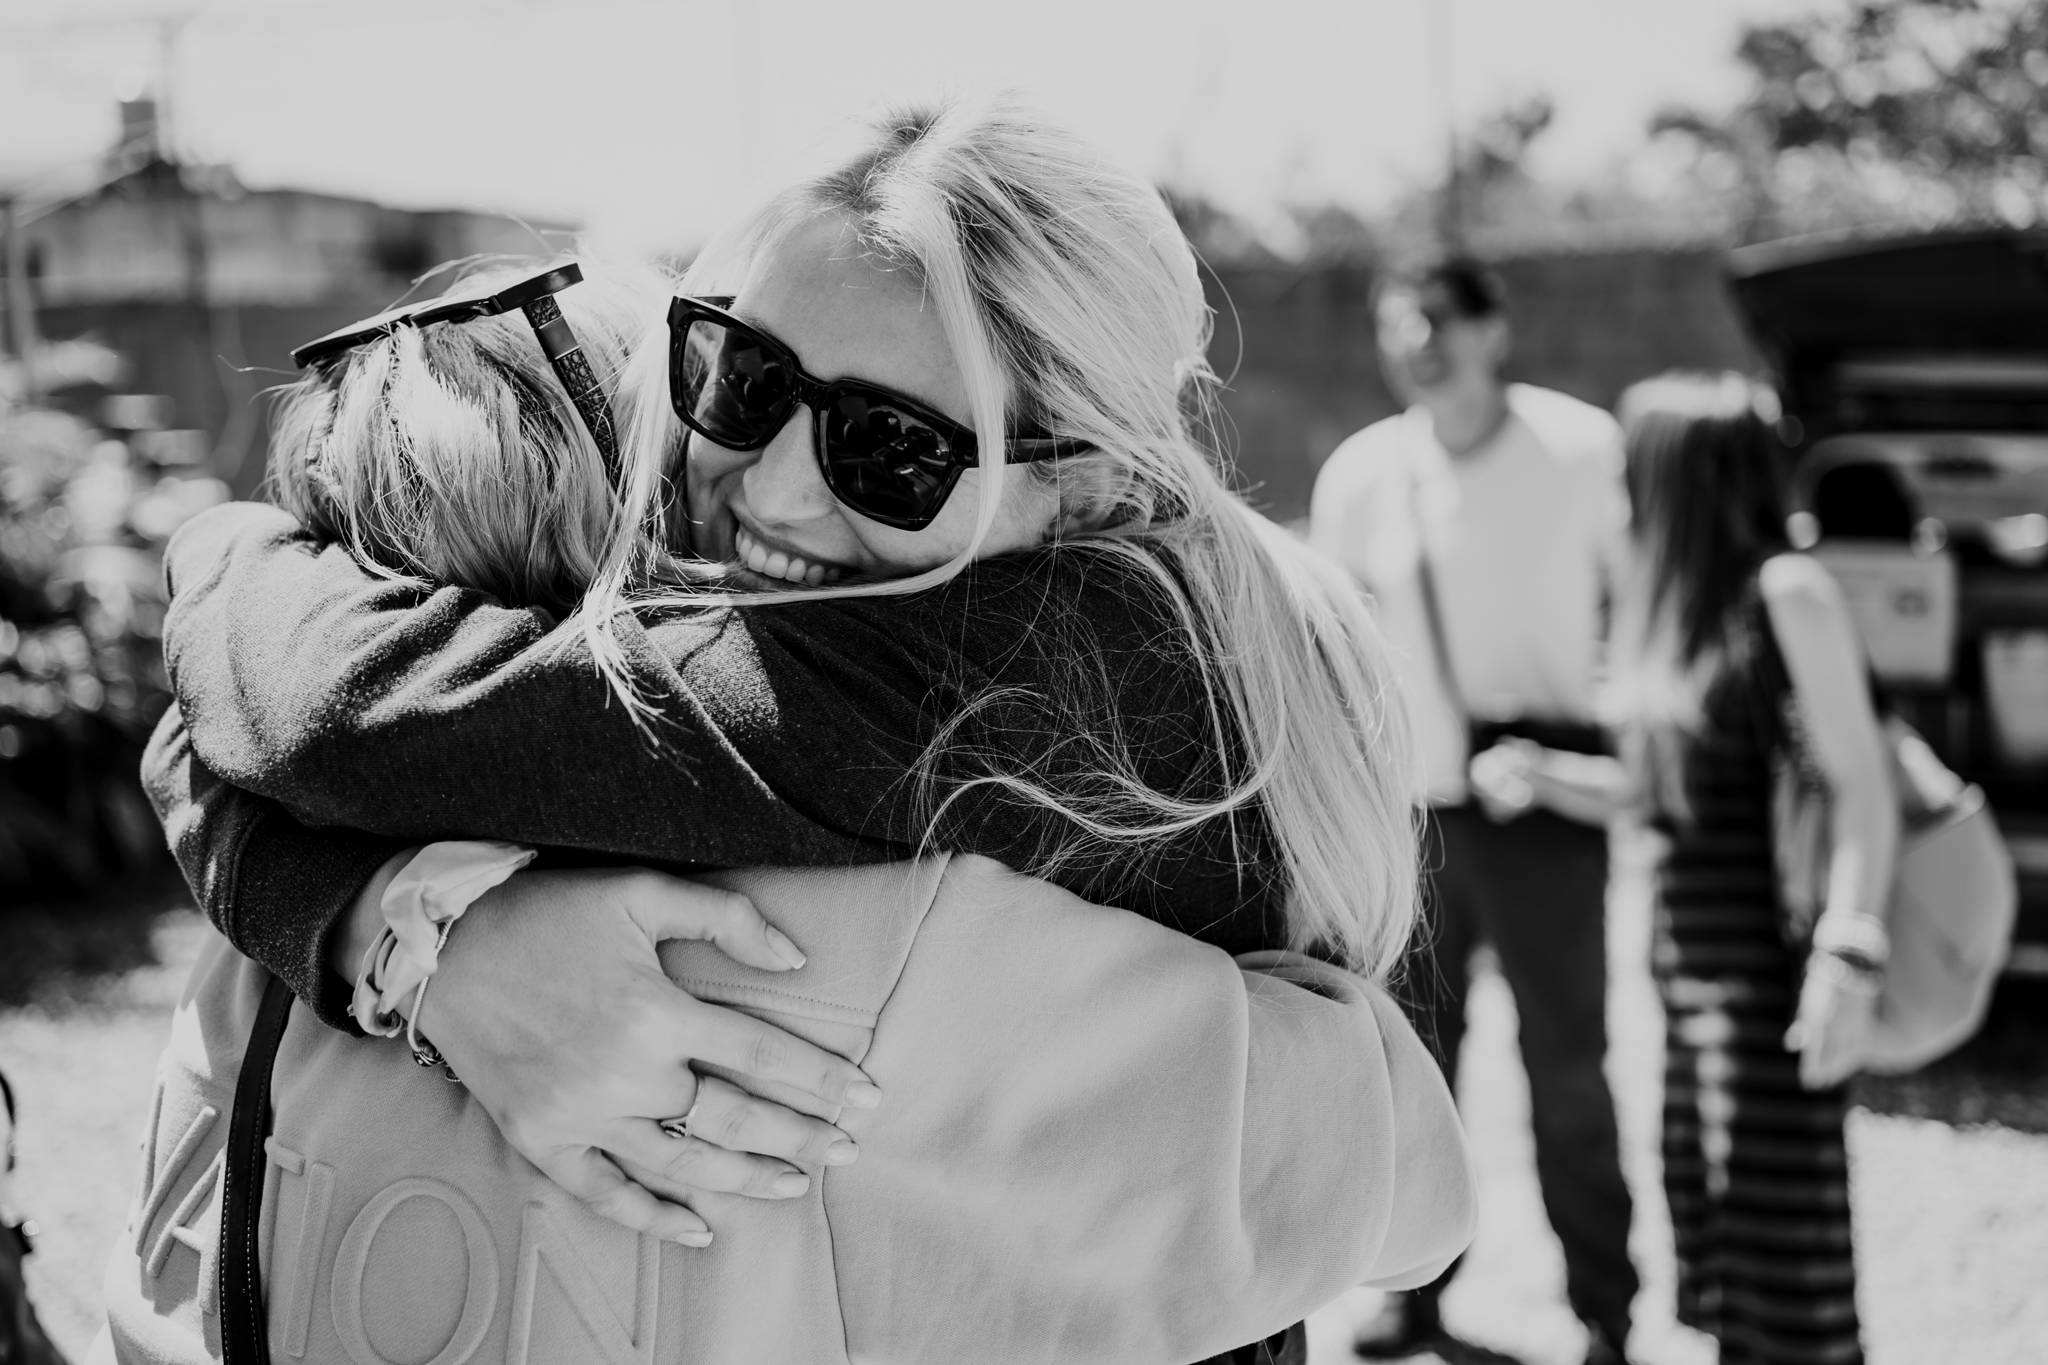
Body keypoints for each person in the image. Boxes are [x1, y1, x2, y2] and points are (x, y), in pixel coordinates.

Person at [110, 97, 1473, 1364]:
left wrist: (230, 570)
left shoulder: (1030, 689)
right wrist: (400, 930)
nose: (767, 487)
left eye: (890, 448)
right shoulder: (1144, 609)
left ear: (1085, 481)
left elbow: (336, 719)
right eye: (743, 377)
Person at [1472, 372, 1890, 1365]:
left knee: (1791, 1274)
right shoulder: (1675, 619)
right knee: (1724, 1259)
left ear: (1678, 480)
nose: (1614, 500)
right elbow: (1655, 796)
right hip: (1686, 984)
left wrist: (1847, 957)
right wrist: (1540, 776)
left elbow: (1861, 788)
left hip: (1769, 982)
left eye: (1628, 474)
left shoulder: (1785, 593)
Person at [1309, 257, 1640, 1364]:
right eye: (1393, 320)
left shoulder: (1581, 448)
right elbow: (1334, 654)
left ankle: (1605, 1307)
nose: (1415, 338)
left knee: (1567, 1070)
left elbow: (1635, 611)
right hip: (1414, 818)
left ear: (1494, 329)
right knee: (1416, 1075)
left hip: (1546, 801)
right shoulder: (1363, 471)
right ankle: (1415, 1292)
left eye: (1439, 317)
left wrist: (1601, 738)